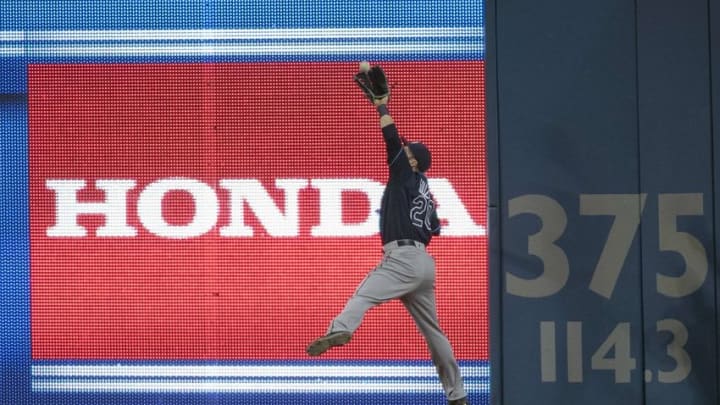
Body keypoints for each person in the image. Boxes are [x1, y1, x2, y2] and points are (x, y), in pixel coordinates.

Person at [306, 95, 470, 405]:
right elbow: (434, 228)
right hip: (423, 262)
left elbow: (391, 138)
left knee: (364, 295)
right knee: (434, 332)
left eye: (407, 152)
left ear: (412, 162)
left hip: (402, 259)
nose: (402, 151)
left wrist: (382, 106)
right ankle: (457, 395)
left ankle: (339, 329)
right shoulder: (425, 189)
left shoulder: (405, 173)